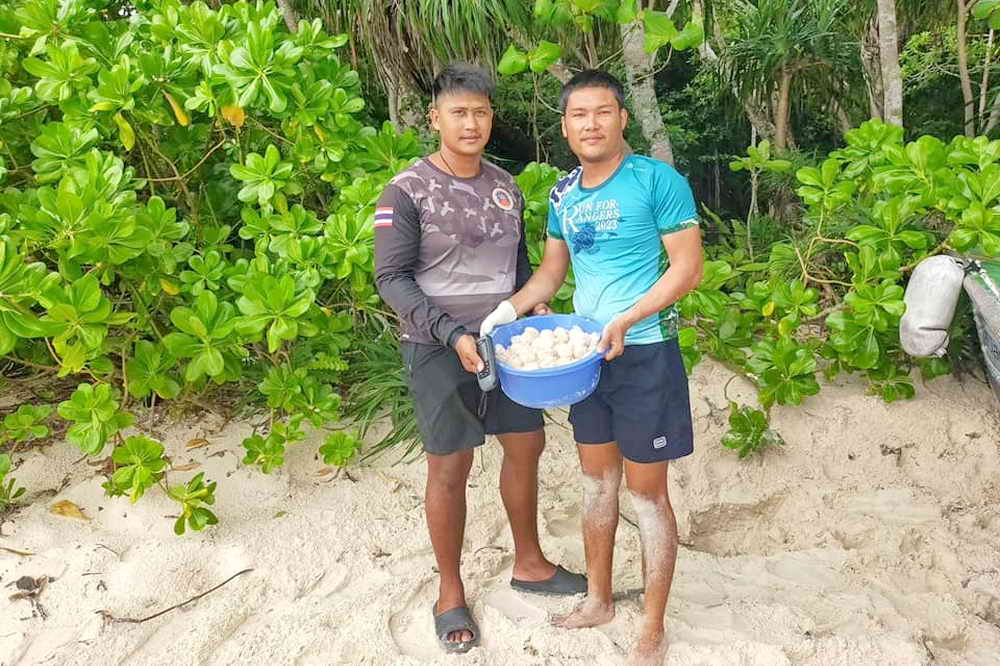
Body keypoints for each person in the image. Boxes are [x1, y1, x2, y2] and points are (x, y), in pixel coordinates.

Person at [480, 70, 704, 665]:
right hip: (587, 359)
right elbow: (552, 273)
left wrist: (628, 319)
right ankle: (599, 599)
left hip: (645, 351)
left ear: (622, 118)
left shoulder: (656, 180)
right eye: (579, 115)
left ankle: (652, 626)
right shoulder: (563, 194)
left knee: (647, 495)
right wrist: (507, 311)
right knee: (596, 482)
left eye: (603, 112)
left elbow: (687, 269)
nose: (591, 124)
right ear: (565, 126)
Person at [373, 63, 587, 655]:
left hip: (504, 345)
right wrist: (451, 334)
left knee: (526, 444)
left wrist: (531, 305)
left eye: (481, 112)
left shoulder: (505, 187)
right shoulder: (406, 190)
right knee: (450, 465)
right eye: (459, 112)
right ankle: (449, 591)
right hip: (436, 347)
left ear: (492, 118)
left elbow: (518, 267)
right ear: (435, 118)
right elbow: (391, 278)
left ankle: (530, 562)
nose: (471, 123)